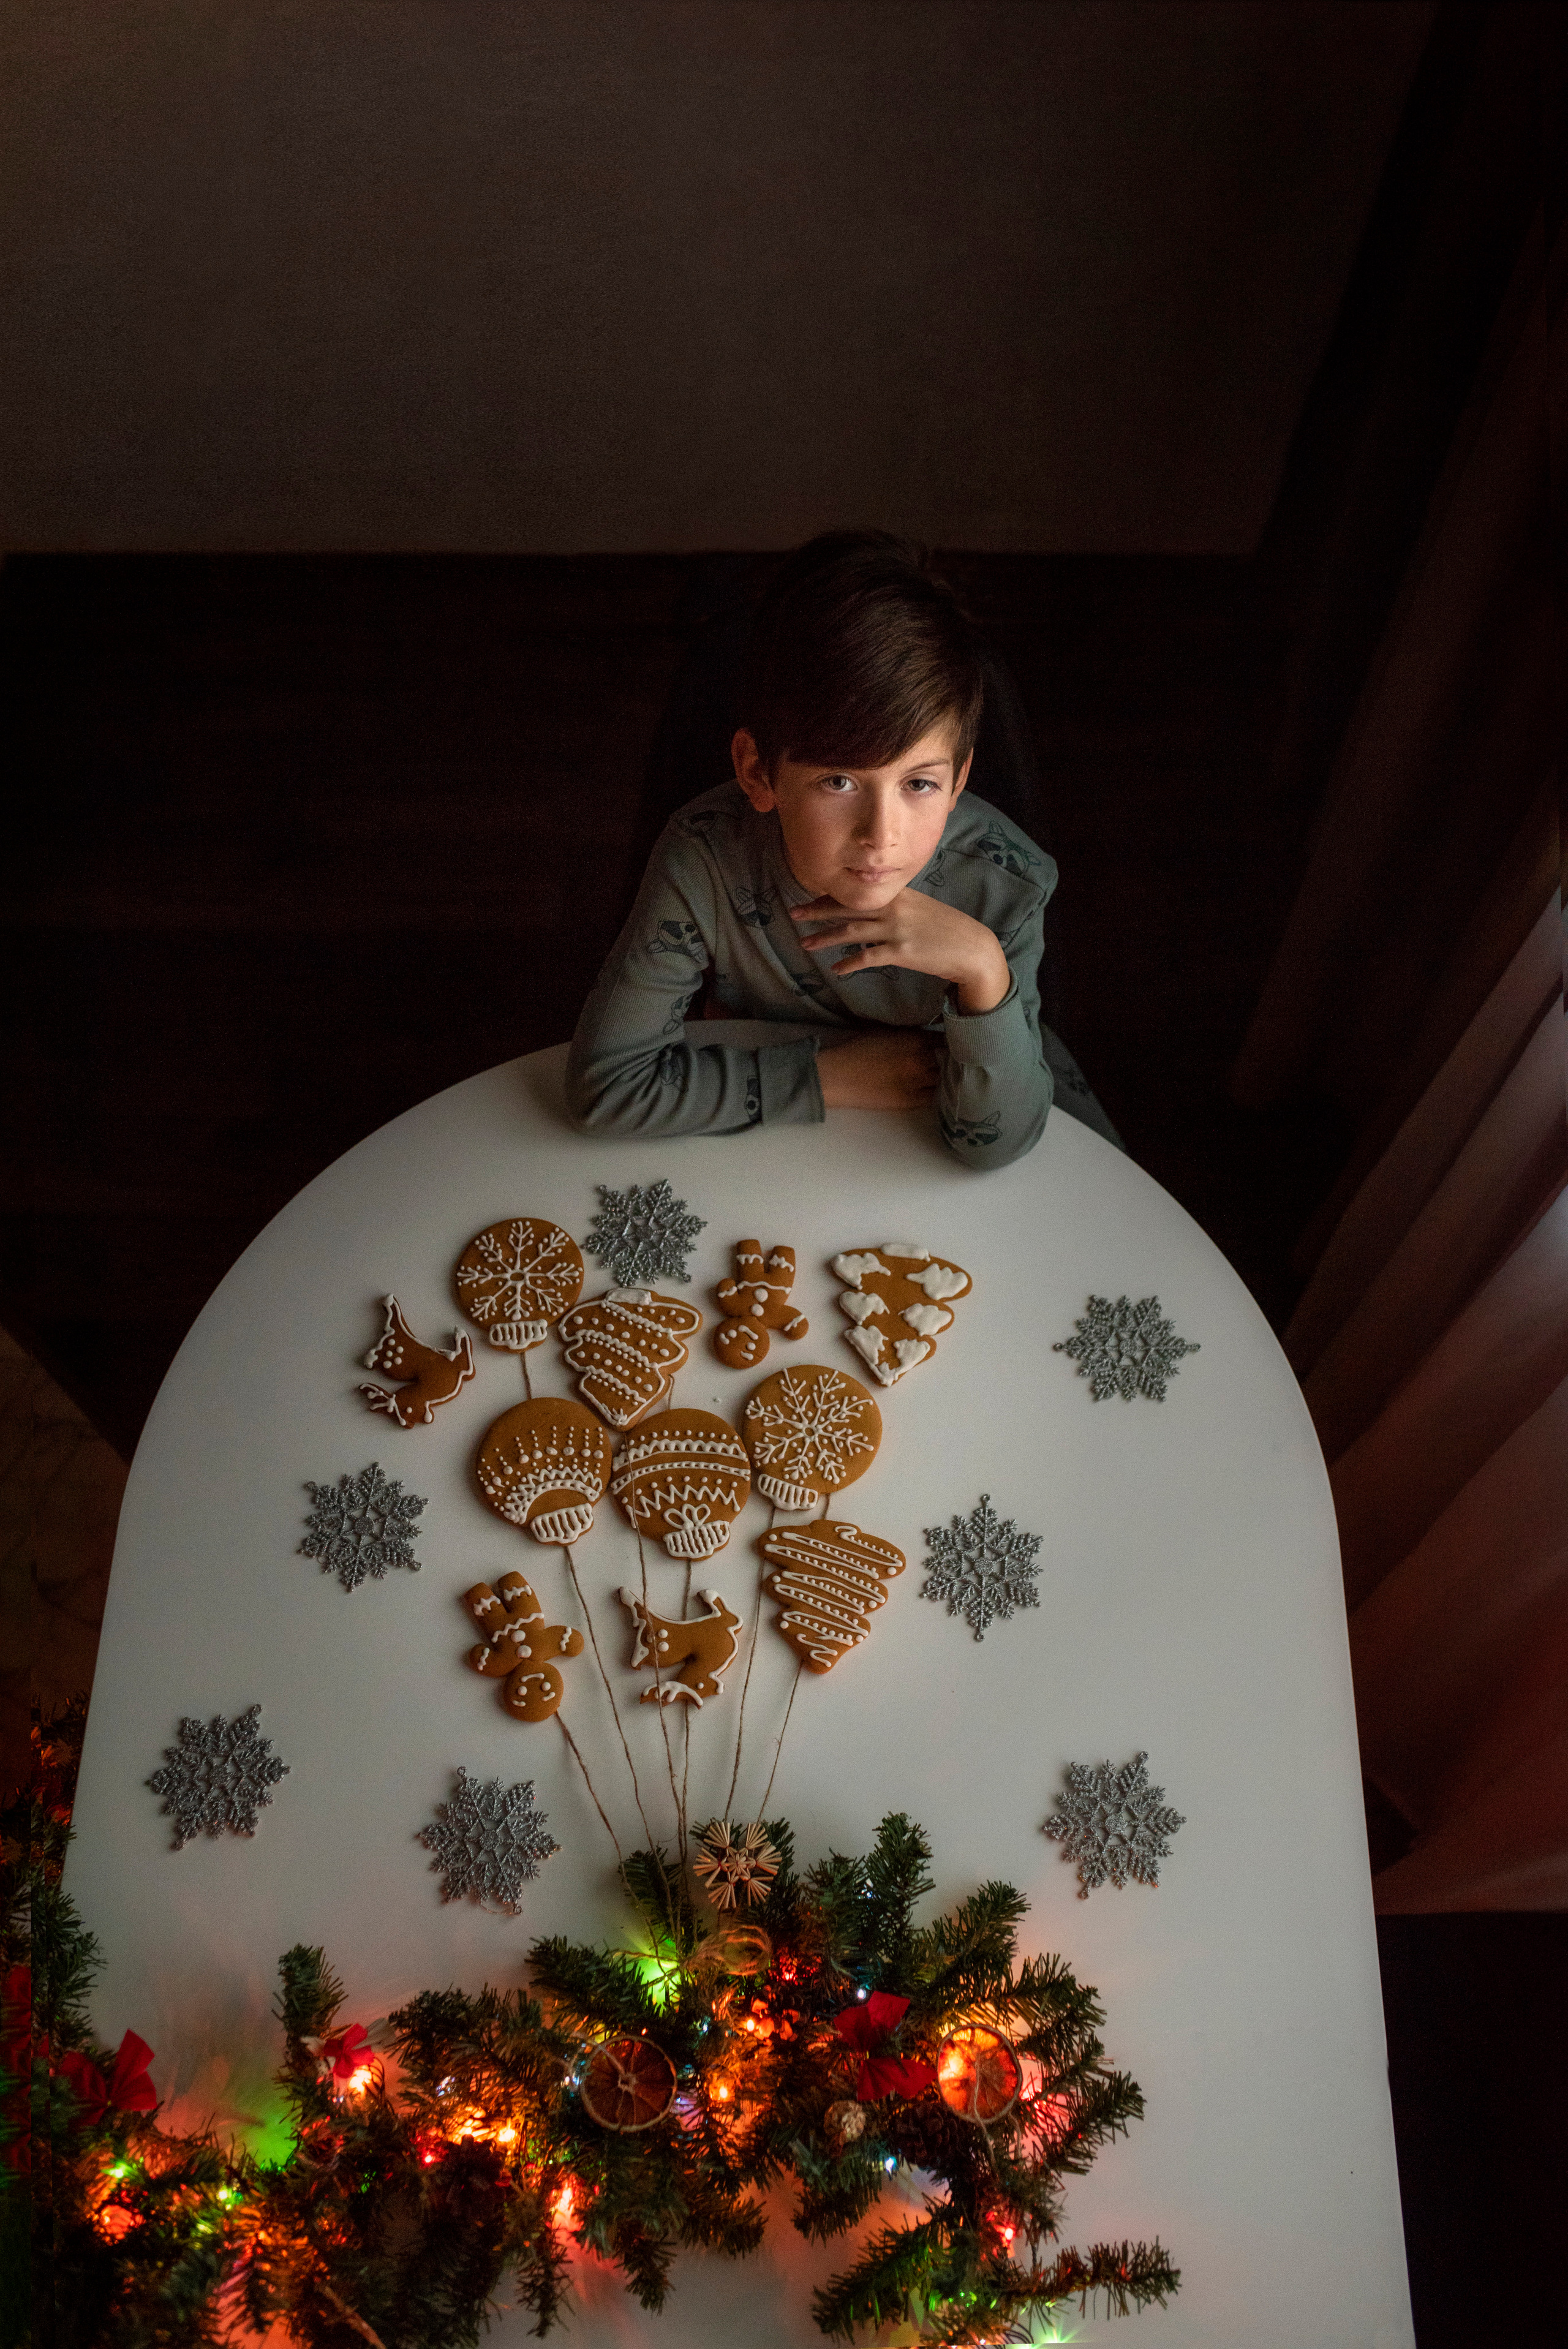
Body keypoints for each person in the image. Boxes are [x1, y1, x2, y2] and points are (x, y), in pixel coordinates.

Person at [565, 531, 1120, 1169]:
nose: (880, 835)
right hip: (780, 1143)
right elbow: (604, 1088)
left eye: (919, 784)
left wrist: (983, 970)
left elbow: (993, 1147)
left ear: (960, 778)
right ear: (757, 772)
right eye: (839, 781)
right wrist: (828, 1078)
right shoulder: (705, 859)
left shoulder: (1006, 887)